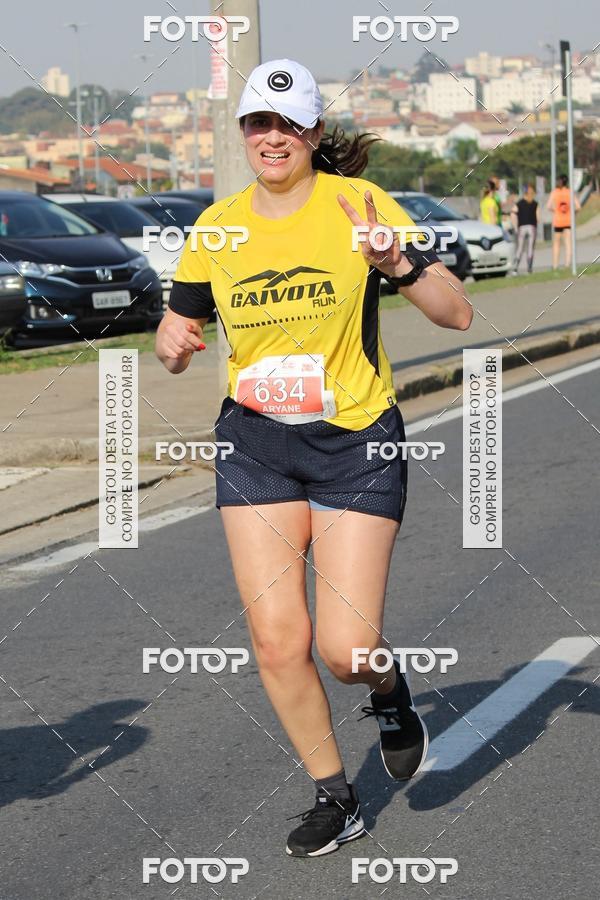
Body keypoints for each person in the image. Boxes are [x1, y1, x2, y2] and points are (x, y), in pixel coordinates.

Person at [155, 58, 472, 859]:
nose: (273, 137)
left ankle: (390, 690)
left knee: (346, 650)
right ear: (243, 133)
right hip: (256, 444)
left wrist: (395, 264)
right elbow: (179, 327)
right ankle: (337, 795)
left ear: (315, 134)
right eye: (260, 122)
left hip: (356, 443)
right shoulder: (216, 227)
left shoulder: (359, 206)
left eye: (289, 125)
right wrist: (172, 342)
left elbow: (457, 312)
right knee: (275, 640)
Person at [547, 174, 580, 269]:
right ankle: (567, 264)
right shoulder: (570, 192)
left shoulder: (555, 192)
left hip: (558, 221)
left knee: (556, 244)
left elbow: (548, 206)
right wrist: (572, 214)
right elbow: (578, 207)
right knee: (568, 243)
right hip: (568, 221)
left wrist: (556, 211)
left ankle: (555, 265)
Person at [511, 184, 539, 274]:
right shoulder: (535, 204)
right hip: (532, 227)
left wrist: (515, 227)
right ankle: (529, 268)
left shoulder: (519, 203)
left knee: (520, 248)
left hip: (522, 227)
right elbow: (538, 217)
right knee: (530, 248)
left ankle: (515, 268)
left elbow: (513, 213)